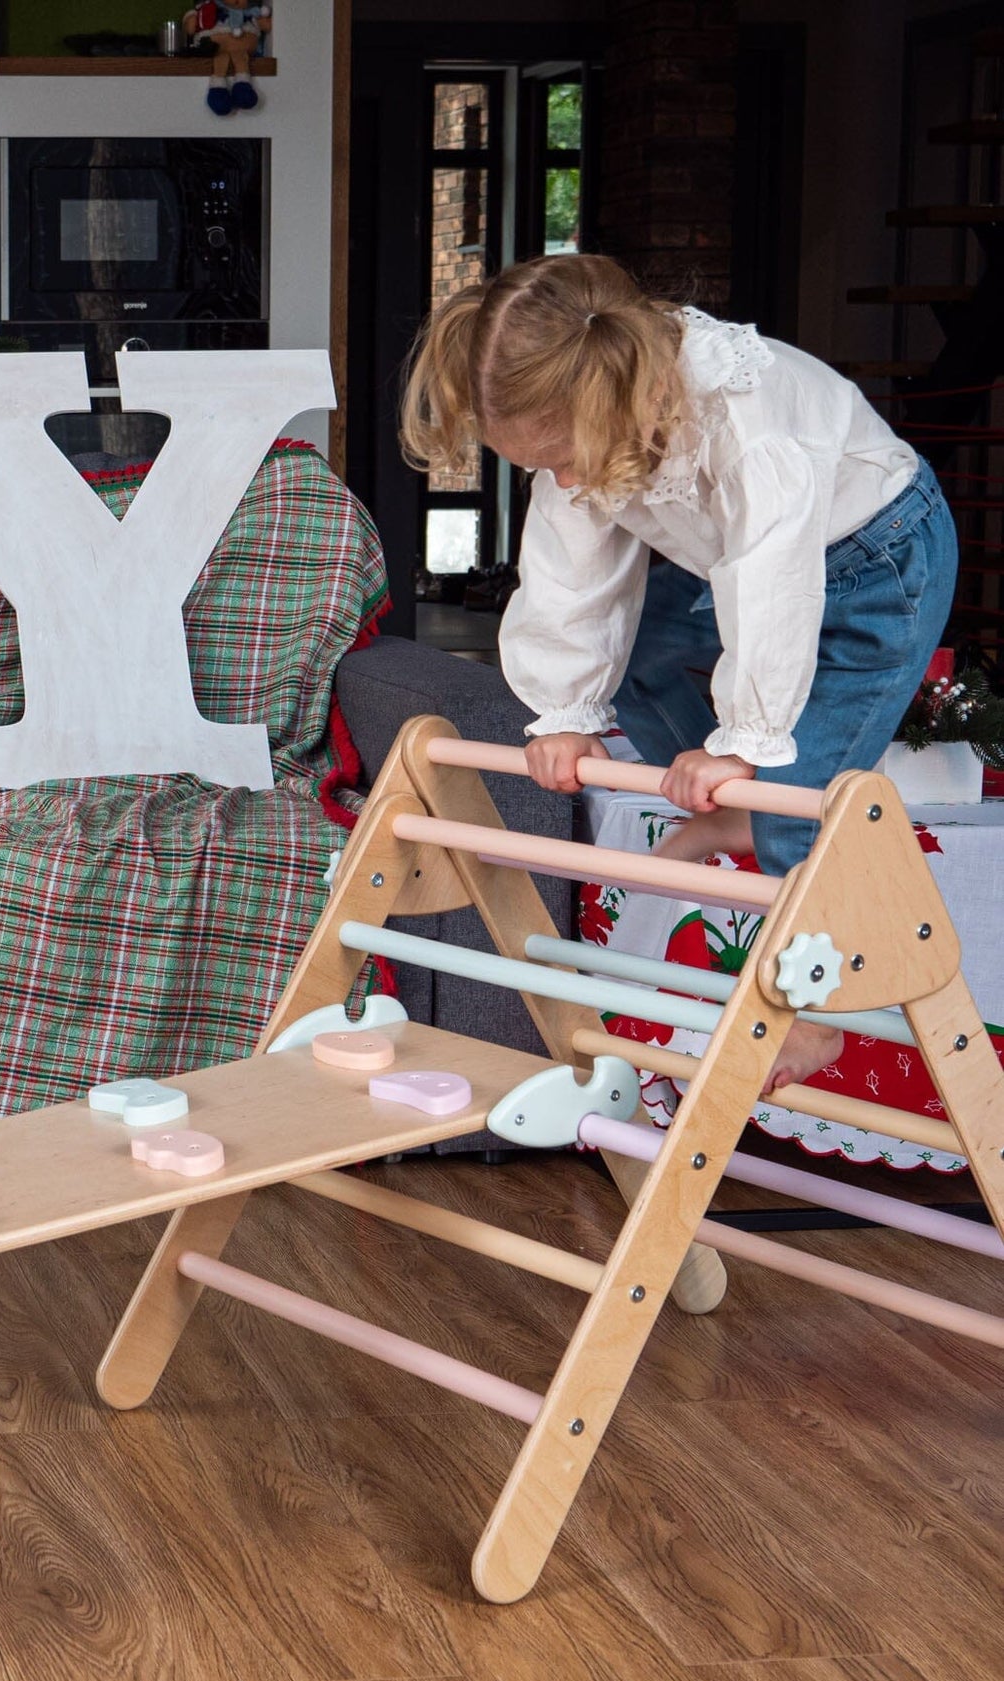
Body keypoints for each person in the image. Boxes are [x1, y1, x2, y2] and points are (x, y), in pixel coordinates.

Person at [400, 253, 958, 1089]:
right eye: (535, 464)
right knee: (645, 656)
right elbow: (570, 564)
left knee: (805, 797)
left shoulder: (747, 425)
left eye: (561, 457)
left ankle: (813, 1016)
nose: (560, 479)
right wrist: (563, 711)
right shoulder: (588, 425)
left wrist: (744, 744)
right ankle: (734, 812)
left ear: (614, 403)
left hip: (879, 567)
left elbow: (774, 584)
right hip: (733, 565)